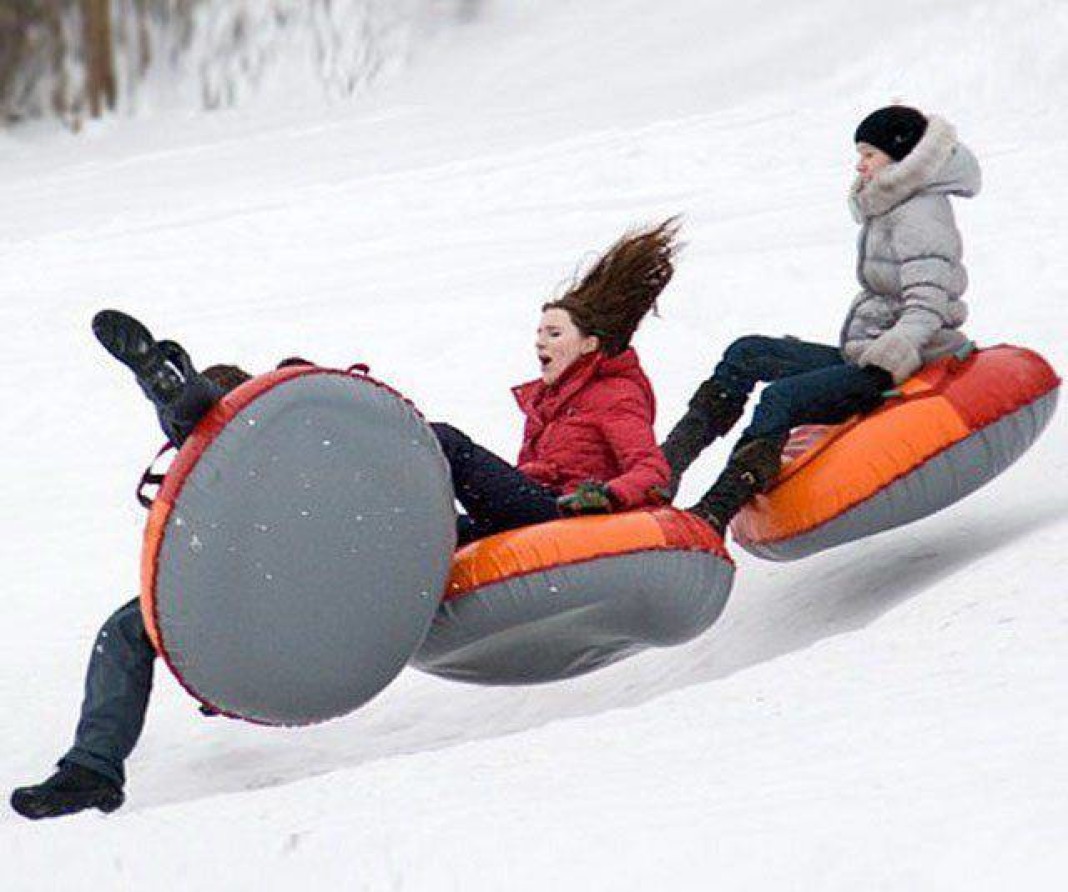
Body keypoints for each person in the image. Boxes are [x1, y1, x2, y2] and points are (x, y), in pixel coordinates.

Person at [10, 220, 675, 819]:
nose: (539, 343)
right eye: (539, 332)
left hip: (447, 528)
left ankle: (93, 766)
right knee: (134, 623)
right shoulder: (549, 404)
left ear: (590, 342)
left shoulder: (611, 394)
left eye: (552, 333)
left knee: (431, 438)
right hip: (329, 549)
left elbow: (649, 471)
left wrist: (604, 501)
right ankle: (88, 772)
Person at [662, 106, 981, 533]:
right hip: (864, 353)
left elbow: (928, 307)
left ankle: (713, 513)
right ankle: (665, 470)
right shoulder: (891, 206)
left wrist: (890, 352)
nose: (859, 164)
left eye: (869, 154)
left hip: (897, 363)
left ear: (900, 156)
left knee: (782, 398)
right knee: (747, 353)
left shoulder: (921, 214)